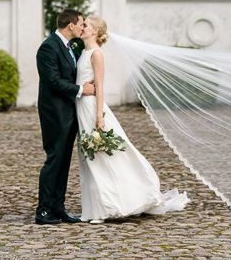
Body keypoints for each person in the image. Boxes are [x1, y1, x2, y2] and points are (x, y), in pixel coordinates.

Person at [76, 15, 189, 223]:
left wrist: (99, 116)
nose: (81, 27)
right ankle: (95, 208)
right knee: (89, 158)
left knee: (103, 156)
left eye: (86, 25)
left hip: (92, 108)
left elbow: (100, 86)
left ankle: (109, 207)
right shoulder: (82, 52)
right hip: (81, 108)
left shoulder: (97, 54)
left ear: (95, 31)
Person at [35, 8, 96, 224]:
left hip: (70, 113)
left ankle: (58, 207)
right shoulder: (48, 47)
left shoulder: (71, 47)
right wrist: (81, 89)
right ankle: (43, 210)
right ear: (71, 25)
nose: (82, 27)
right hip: (54, 113)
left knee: (63, 161)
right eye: (80, 23)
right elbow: (52, 80)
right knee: (54, 160)